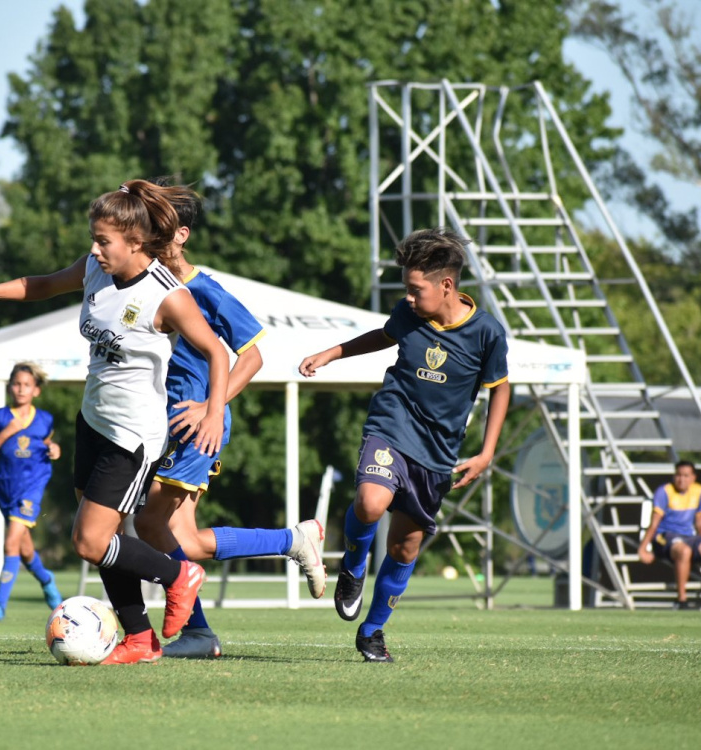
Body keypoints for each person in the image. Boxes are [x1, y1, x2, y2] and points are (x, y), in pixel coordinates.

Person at [0, 179, 230, 664]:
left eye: (103, 240)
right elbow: (42, 284)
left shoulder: (167, 295)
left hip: (133, 434)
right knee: (106, 541)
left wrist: (213, 411)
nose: (94, 248)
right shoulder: (94, 270)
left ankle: (179, 576)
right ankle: (141, 640)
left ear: (134, 241)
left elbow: (216, 352)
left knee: (90, 541)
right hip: (93, 422)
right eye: (94, 238)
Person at [299, 227, 510, 662]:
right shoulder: (409, 314)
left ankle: (372, 632)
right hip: (391, 426)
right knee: (372, 502)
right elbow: (383, 335)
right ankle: (354, 565)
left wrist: (487, 452)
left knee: (405, 547)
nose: (409, 298)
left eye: (416, 290)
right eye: (406, 290)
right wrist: (330, 353)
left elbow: (500, 389)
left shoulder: (487, 333)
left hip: (436, 452)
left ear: (446, 285)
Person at [134, 189, 326, 659]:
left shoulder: (205, 290)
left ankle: (198, 631)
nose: (150, 239)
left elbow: (254, 355)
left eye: (160, 231)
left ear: (182, 235)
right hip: (168, 425)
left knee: (149, 522)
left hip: (197, 426)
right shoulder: (145, 285)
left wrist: (211, 408)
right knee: (186, 542)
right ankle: (294, 540)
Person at [0, 362, 64, 620]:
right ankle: (47, 580)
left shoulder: (45, 419)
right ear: (9, 387)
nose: (21, 389)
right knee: (24, 551)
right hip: (6, 490)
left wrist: (54, 448)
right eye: (16, 384)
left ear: (36, 390)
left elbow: (47, 443)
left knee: (11, 542)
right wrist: (6, 433)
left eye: (26, 385)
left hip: (31, 488)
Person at [637, 460, 701, 609]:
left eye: (686, 476)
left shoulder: (698, 491)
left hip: (689, 536)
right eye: (678, 475)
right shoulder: (665, 491)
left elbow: (699, 521)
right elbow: (654, 523)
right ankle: (682, 600)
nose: (682, 479)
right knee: (683, 550)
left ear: (693, 477)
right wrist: (643, 548)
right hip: (666, 536)